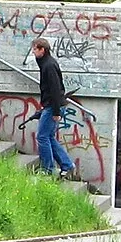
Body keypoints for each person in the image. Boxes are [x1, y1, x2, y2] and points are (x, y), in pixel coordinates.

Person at [31, 37, 79, 181]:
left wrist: (56, 112)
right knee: (49, 137)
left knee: (42, 136)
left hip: (53, 107)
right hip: (51, 105)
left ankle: (48, 168)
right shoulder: (46, 63)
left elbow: (55, 89)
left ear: (42, 50)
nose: (33, 52)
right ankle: (67, 165)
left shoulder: (49, 66)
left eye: (35, 49)